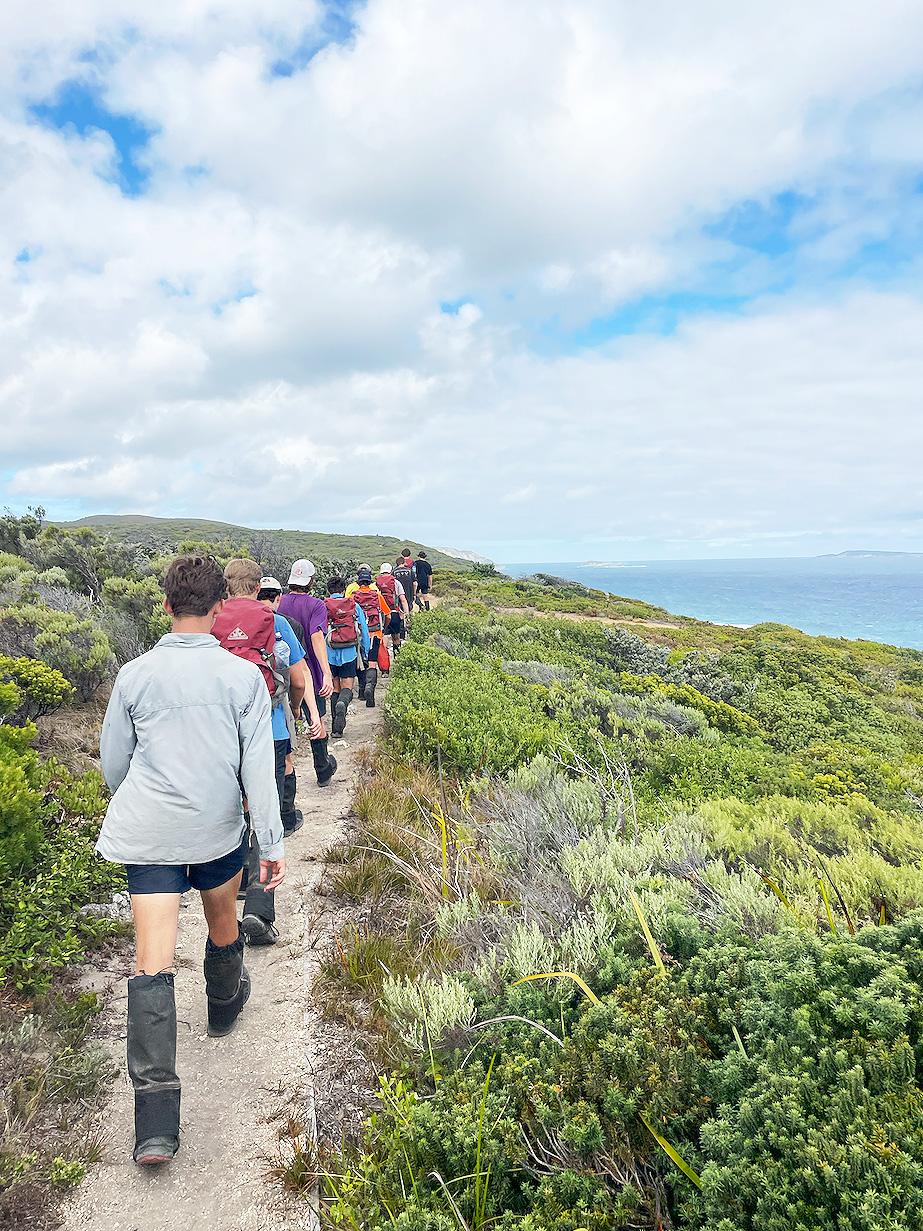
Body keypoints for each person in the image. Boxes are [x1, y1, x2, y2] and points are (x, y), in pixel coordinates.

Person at [97, 555, 284, 1166]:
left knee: (151, 961)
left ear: (166, 604)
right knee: (222, 920)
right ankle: (225, 1002)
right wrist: (271, 845)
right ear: (217, 608)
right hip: (215, 830)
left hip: (150, 833)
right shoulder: (241, 680)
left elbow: (114, 769)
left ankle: (154, 1123)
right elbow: (258, 771)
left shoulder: (133, 675)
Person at [220, 559, 319, 947]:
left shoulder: (212, 622)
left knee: (233, 809)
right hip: (271, 729)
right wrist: (293, 709)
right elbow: (297, 678)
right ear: (259, 585)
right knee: (267, 807)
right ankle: (259, 911)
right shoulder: (274, 623)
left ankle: (234, 889)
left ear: (226, 587)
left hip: (224, 734)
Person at [257, 576, 321, 836]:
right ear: (277, 597)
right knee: (284, 760)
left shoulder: (226, 623)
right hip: (276, 707)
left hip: (235, 717)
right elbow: (298, 677)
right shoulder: (281, 623)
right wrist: (298, 709)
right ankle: (286, 818)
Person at [278, 560, 337, 788]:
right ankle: (322, 770)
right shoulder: (316, 605)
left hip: (283, 674)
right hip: (308, 671)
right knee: (316, 719)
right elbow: (316, 637)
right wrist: (325, 672)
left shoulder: (279, 603)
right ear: (311, 581)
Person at [325, 574, 370, 735]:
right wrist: (365, 650)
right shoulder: (354, 605)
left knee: (335, 687)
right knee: (347, 687)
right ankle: (343, 706)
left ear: (329, 590)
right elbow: (363, 629)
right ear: (344, 590)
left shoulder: (324, 606)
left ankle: (335, 730)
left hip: (330, 653)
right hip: (350, 652)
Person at [345, 565, 390, 707]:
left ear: (358, 582)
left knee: (360, 662)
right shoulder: (377, 595)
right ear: (370, 582)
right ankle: (371, 689)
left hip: (358, 634)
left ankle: (362, 691)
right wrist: (384, 628)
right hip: (375, 632)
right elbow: (387, 614)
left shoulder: (353, 597)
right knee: (372, 662)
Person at [375, 562, 409, 658]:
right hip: (394, 613)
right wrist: (406, 614)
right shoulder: (396, 582)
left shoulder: (376, 583)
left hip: (381, 615)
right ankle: (397, 659)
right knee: (396, 638)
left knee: (384, 638)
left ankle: (384, 666)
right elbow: (403, 599)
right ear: (391, 570)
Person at [394, 550, 417, 620]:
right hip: (409, 592)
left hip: (398, 595)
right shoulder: (410, 571)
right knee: (409, 609)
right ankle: (408, 623)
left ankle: (401, 626)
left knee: (400, 611)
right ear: (404, 563)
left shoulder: (394, 572)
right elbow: (415, 583)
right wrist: (414, 593)